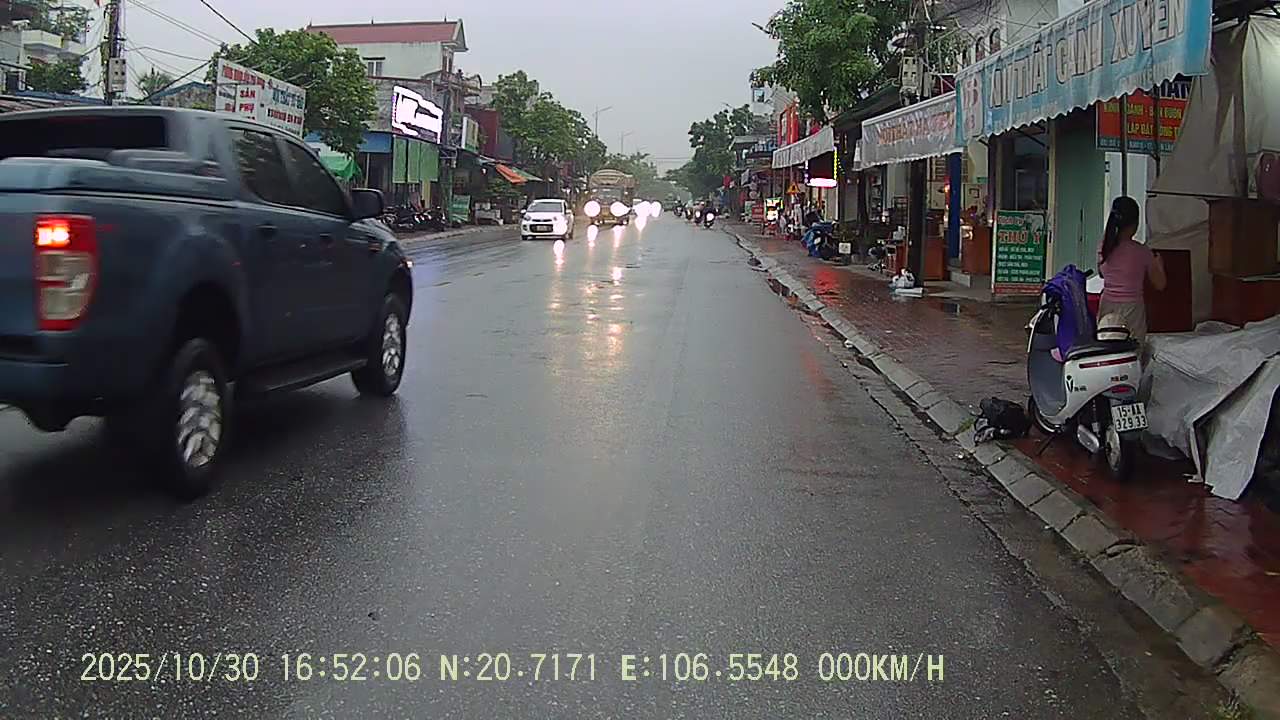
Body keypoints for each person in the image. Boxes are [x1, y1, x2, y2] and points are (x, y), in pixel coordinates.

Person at [1098, 195, 1166, 344]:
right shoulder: (1142, 252)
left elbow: (1102, 273)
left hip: (1107, 306)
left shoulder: (1104, 247)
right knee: (1132, 350)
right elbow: (1160, 284)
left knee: (1106, 349)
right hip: (1132, 310)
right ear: (1135, 224)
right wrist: (1159, 265)